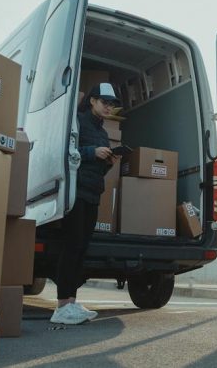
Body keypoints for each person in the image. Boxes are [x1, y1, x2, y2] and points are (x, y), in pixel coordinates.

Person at [50, 82, 121, 325]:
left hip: (93, 193)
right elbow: (65, 150)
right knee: (71, 246)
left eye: (111, 104)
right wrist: (93, 152)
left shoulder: (103, 132)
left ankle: (71, 302)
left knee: (81, 247)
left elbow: (97, 167)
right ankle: (61, 306)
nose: (108, 107)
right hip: (75, 192)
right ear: (92, 100)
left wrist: (108, 161)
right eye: (104, 102)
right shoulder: (77, 121)